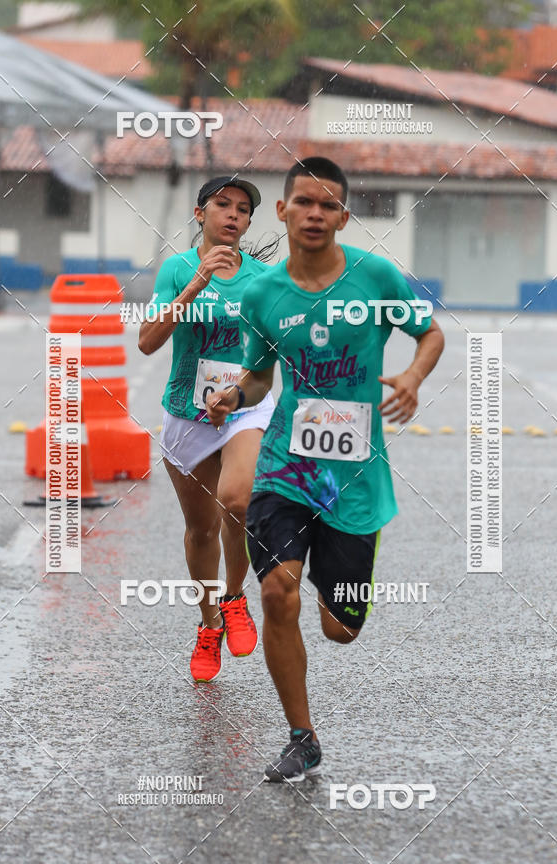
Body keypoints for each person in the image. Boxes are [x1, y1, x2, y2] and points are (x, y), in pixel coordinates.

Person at [205, 157, 445, 781]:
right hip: (285, 466)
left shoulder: (376, 278)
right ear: (283, 212)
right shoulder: (262, 294)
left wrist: (414, 378)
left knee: (340, 629)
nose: (315, 213)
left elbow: (430, 334)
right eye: (303, 202)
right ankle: (302, 736)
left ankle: (335, 588)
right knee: (277, 592)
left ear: (342, 215)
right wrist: (235, 396)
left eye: (328, 205)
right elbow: (260, 376)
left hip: (354, 476)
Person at [138, 175, 276, 683]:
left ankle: (236, 597)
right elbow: (148, 341)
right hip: (185, 413)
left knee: (237, 502)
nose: (234, 215)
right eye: (223, 205)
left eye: (243, 209)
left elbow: (270, 354)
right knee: (201, 529)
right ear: (200, 214)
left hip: (246, 407)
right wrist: (197, 283)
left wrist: (236, 395)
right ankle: (209, 622)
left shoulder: (264, 278)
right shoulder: (175, 270)